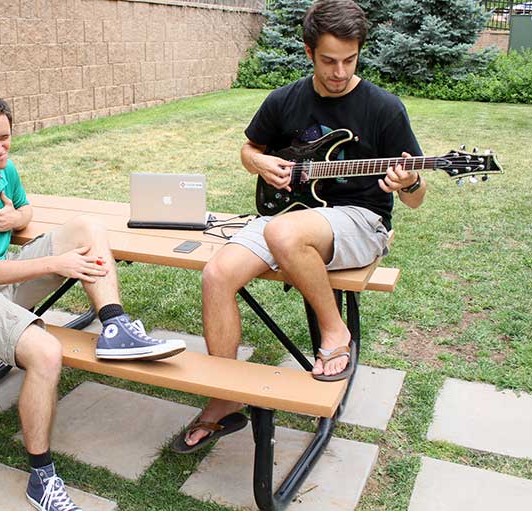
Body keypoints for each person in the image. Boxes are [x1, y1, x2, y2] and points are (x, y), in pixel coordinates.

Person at [172, 0, 425, 453]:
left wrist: (410, 182)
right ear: (309, 52)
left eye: (350, 60)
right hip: (284, 214)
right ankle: (225, 399)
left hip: (360, 221)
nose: (340, 71)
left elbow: (416, 197)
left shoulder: (384, 109)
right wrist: (262, 163)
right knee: (217, 274)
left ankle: (335, 333)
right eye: (329, 60)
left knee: (283, 234)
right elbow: (249, 149)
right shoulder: (284, 99)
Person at [0, 92, 186, 510]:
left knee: (87, 227)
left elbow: (25, 209)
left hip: (1, 278)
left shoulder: (2, 169)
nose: (0, 147)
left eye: (6, 137)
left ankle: (114, 326)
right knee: (46, 352)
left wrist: (16, 219)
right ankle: (41, 478)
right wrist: (54, 261)